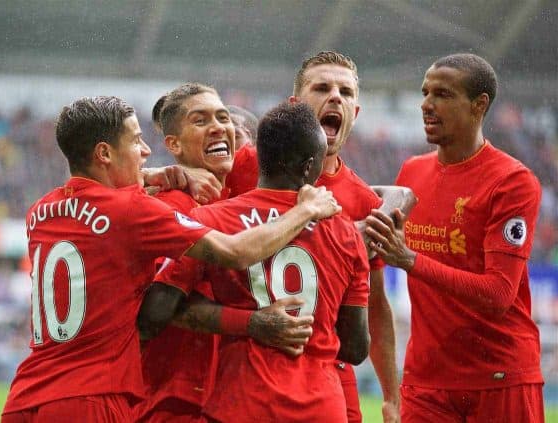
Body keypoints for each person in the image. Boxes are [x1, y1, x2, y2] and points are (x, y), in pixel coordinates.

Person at [0, 96, 340, 422]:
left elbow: (90, 197)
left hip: (25, 395)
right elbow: (236, 252)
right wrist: (305, 210)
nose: (147, 152)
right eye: (135, 142)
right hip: (91, 396)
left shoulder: (40, 212)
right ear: (104, 153)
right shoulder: (135, 210)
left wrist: (148, 176)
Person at [140, 101, 371, 422]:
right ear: (309, 166)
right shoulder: (346, 234)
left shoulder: (212, 219)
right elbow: (356, 347)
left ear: (260, 156)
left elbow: (154, 313)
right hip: (321, 407)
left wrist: (241, 320)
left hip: (245, 402)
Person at [223, 51, 412, 422]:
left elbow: (373, 302)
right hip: (245, 368)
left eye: (346, 92)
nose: (336, 97)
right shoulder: (245, 165)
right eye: (322, 87)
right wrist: (166, 173)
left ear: (355, 114)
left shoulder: (363, 201)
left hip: (325, 376)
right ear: (295, 105)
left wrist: (391, 394)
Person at [365, 53, 545, 422]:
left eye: (443, 94)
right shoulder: (411, 173)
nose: (426, 104)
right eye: (425, 92)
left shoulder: (512, 181)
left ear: (479, 105)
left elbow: (498, 294)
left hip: (499, 377)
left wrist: (411, 260)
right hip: (426, 380)